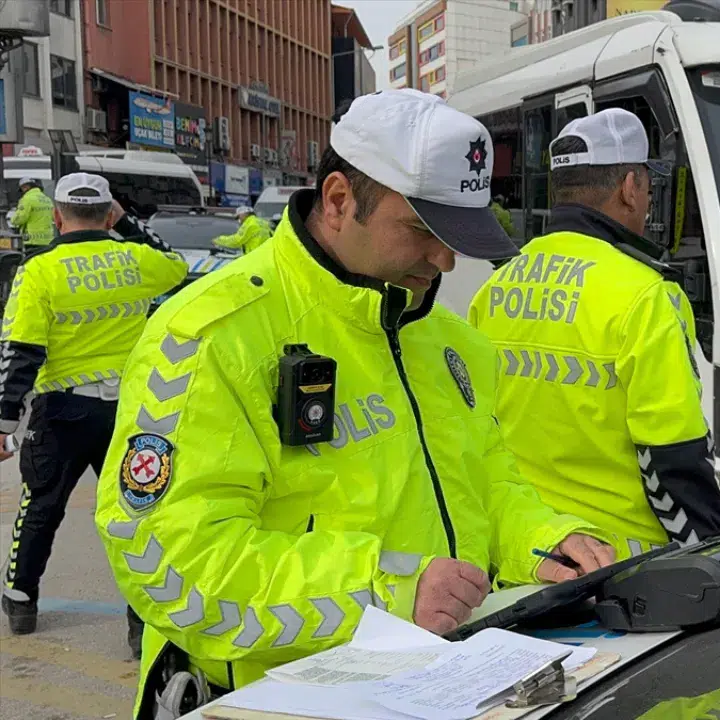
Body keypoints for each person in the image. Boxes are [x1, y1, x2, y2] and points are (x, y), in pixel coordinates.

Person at [94, 89, 616, 719]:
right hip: (274, 702)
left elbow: (488, 484)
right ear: (340, 200)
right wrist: (384, 592)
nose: (446, 260)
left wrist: (545, 543)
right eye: (424, 230)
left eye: (458, 234)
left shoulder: (449, 341)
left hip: (442, 687)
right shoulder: (209, 337)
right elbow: (169, 562)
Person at [468, 108, 720, 560]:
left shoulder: (495, 287)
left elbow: (478, 429)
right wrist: (708, 554)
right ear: (630, 188)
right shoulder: (645, 295)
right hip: (619, 566)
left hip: (523, 554)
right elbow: (672, 456)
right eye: (647, 187)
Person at [0, 173, 188, 651]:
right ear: (109, 214)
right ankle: (141, 621)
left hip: (61, 411)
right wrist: (128, 225)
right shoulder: (137, 260)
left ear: (57, 216)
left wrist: (3, 423)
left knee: (40, 505)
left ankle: (21, 601)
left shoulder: (39, 270)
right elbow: (176, 264)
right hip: (129, 413)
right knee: (139, 513)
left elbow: (22, 352)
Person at [10, 177, 55, 250]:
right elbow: (53, 216)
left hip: (32, 239)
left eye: (22, 189)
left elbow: (20, 218)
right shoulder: (47, 199)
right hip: (48, 239)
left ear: (25, 187)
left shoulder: (27, 199)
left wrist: (13, 220)